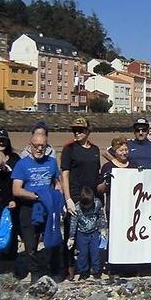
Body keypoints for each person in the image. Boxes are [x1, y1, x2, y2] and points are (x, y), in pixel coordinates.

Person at [12, 132, 62, 282]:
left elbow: (57, 183)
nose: (39, 149)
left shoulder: (52, 162)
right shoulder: (22, 164)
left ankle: (53, 270)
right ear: (30, 147)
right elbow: (16, 189)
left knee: (52, 240)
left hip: (49, 208)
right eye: (36, 146)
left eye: (43, 146)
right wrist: (36, 196)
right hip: (29, 208)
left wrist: (60, 200)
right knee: (31, 244)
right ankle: (35, 272)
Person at [61, 117, 102, 278]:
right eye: (74, 130)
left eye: (80, 130)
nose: (77, 133)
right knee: (71, 233)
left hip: (92, 198)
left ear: (87, 131)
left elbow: (97, 174)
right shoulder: (69, 149)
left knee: (91, 233)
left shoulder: (95, 149)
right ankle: (70, 267)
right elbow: (65, 174)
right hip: (75, 195)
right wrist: (68, 198)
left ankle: (92, 266)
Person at [67, 186, 107, 280]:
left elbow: (101, 216)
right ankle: (84, 272)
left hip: (94, 232)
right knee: (82, 254)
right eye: (85, 206)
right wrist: (71, 237)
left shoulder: (97, 203)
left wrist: (103, 229)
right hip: (81, 234)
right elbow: (73, 223)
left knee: (95, 252)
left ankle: (96, 271)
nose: (87, 208)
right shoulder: (76, 208)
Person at [98, 137, 131, 218]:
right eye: (121, 150)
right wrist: (106, 182)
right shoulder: (107, 167)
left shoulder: (133, 166)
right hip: (113, 206)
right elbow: (99, 189)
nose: (124, 153)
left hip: (130, 205)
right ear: (114, 151)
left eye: (126, 150)